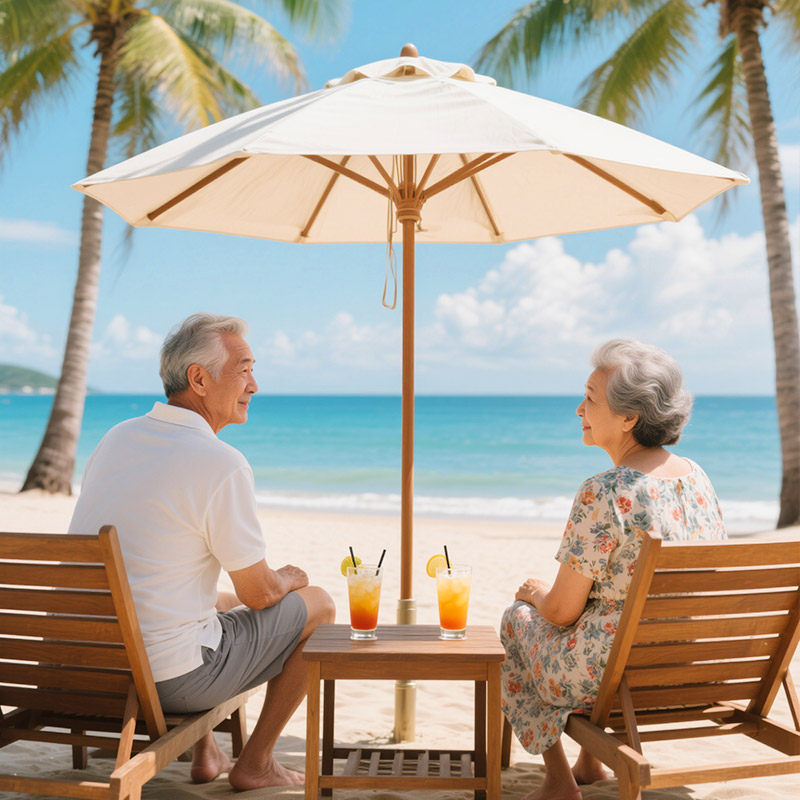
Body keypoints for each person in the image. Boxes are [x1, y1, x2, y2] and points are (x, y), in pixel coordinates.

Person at [69, 313, 335, 791]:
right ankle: (255, 764)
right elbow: (259, 593)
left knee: (215, 603)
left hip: (87, 662)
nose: (255, 383)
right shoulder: (220, 462)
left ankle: (207, 753)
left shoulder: (116, 438)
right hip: (166, 681)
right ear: (199, 378)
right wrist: (291, 580)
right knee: (319, 605)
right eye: (245, 368)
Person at [501, 339, 726, 800]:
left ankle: (559, 783)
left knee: (517, 621)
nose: (579, 408)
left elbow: (561, 611)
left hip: (616, 676)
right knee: (605, 607)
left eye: (590, 398)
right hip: (687, 668)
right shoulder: (697, 478)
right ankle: (591, 763)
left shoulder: (606, 491)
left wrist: (534, 593)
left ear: (629, 418)